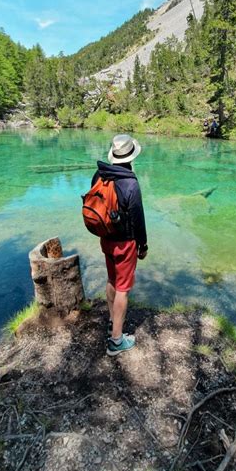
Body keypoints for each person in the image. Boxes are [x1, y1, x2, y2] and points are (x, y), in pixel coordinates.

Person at [91, 134, 148, 356]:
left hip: (105, 239)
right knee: (123, 289)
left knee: (111, 280)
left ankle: (112, 321)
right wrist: (142, 245)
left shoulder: (100, 174)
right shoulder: (130, 183)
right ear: (131, 156)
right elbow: (138, 219)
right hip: (125, 244)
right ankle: (116, 341)